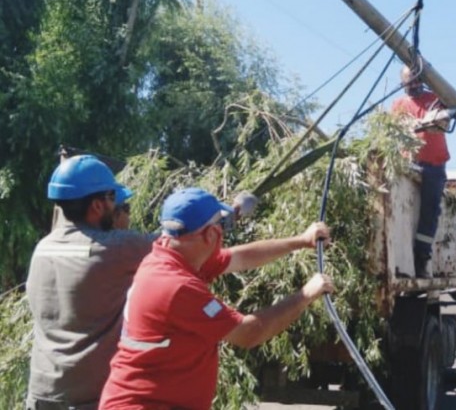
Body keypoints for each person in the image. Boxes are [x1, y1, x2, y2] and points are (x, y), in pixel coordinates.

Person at [99, 187, 335, 409]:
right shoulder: (176, 285)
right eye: (221, 225)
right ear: (211, 233)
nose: (223, 232)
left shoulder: (171, 255)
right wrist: (306, 294)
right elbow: (248, 333)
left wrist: (301, 241)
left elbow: (241, 258)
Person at [25, 155, 153, 410]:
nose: (117, 206)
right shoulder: (115, 247)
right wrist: (231, 214)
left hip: (41, 395)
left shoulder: (43, 248)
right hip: (89, 400)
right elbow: (182, 243)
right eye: (113, 199)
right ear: (97, 206)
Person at [391, 63, 450, 278]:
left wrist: (430, 119)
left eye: (417, 80)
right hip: (408, 165)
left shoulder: (434, 98)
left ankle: (421, 258)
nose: (414, 84)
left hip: (434, 164)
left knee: (430, 212)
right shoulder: (397, 105)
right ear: (402, 82)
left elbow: (443, 117)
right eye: (410, 81)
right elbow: (393, 133)